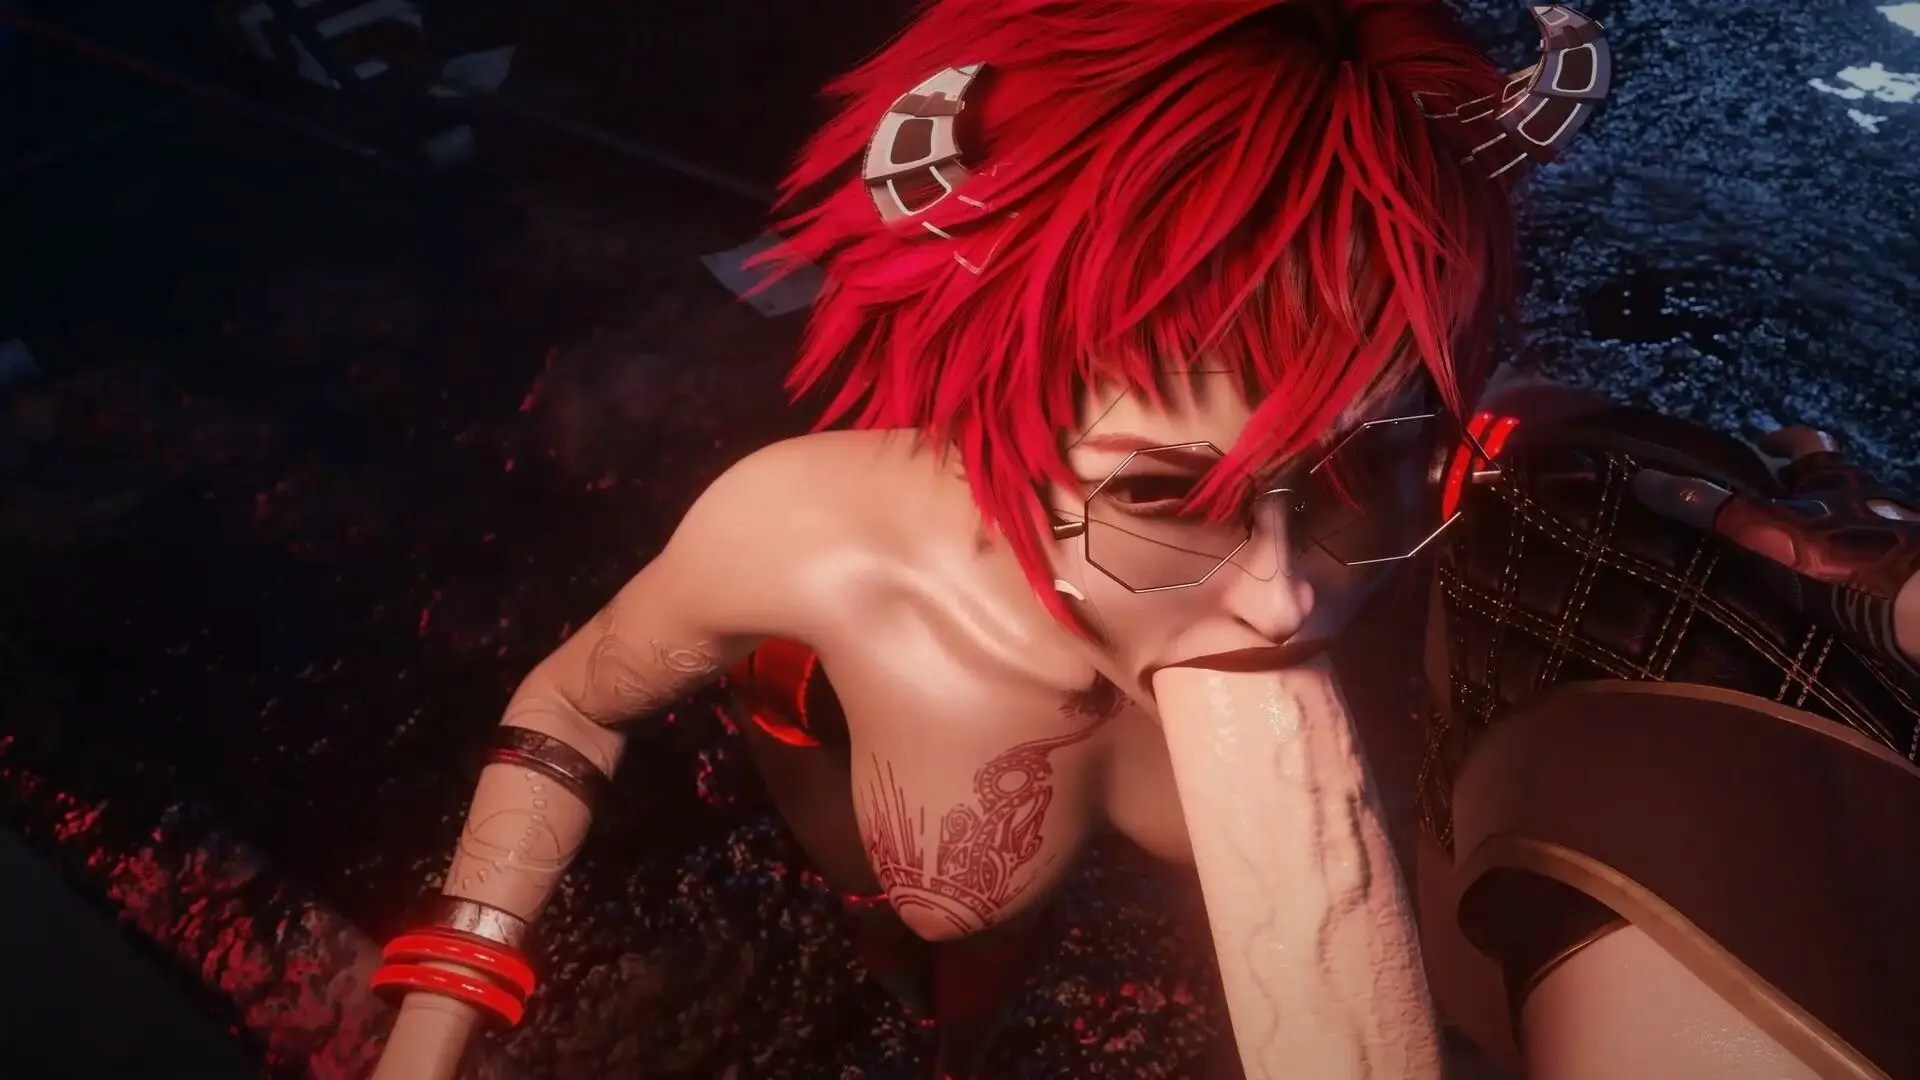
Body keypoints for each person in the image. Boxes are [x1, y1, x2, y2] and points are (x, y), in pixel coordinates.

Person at [366, 0, 1920, 1076]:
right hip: (899, 873)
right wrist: (439, 1014)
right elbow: (570, 703)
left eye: (1344, 470)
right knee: (941, 971)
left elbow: (1599, 464)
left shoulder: (1440, 510)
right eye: (1164, 494)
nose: (1286, 598)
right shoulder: (807, 536)